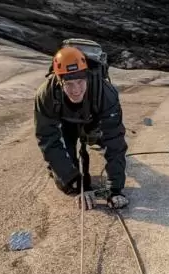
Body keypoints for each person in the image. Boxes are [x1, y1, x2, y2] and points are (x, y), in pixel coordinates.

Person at [34, 45, 129, 209]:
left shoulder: (105, 94)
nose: (76, 90)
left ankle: (93, 140)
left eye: (80, 81)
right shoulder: (46, 95)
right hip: (65, 125)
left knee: (103, 141)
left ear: (87, 76)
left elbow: (115, 140)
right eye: (69, 84)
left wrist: (115, 189)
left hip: (94, 122)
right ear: (59, 80)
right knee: (64, 183)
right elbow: (48, 139)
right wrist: (76, 184)